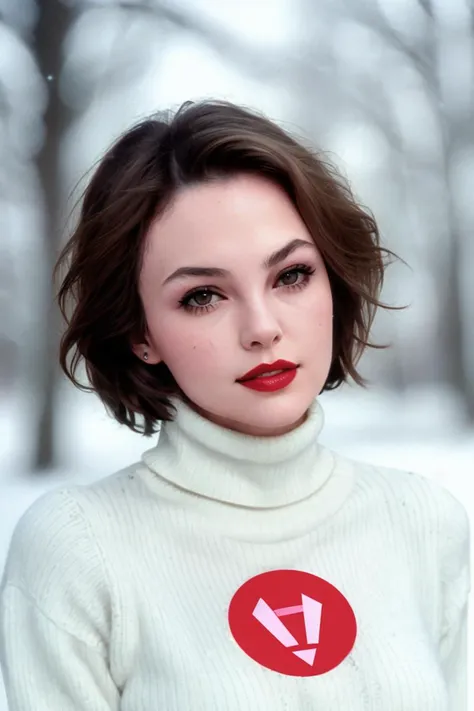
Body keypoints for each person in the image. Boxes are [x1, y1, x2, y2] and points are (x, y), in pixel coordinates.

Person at [0, 100, 470, 710]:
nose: (262, 327)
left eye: (291, 276)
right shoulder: (79, 549)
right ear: (139, 332)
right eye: (202, 296)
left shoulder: (425, 523)